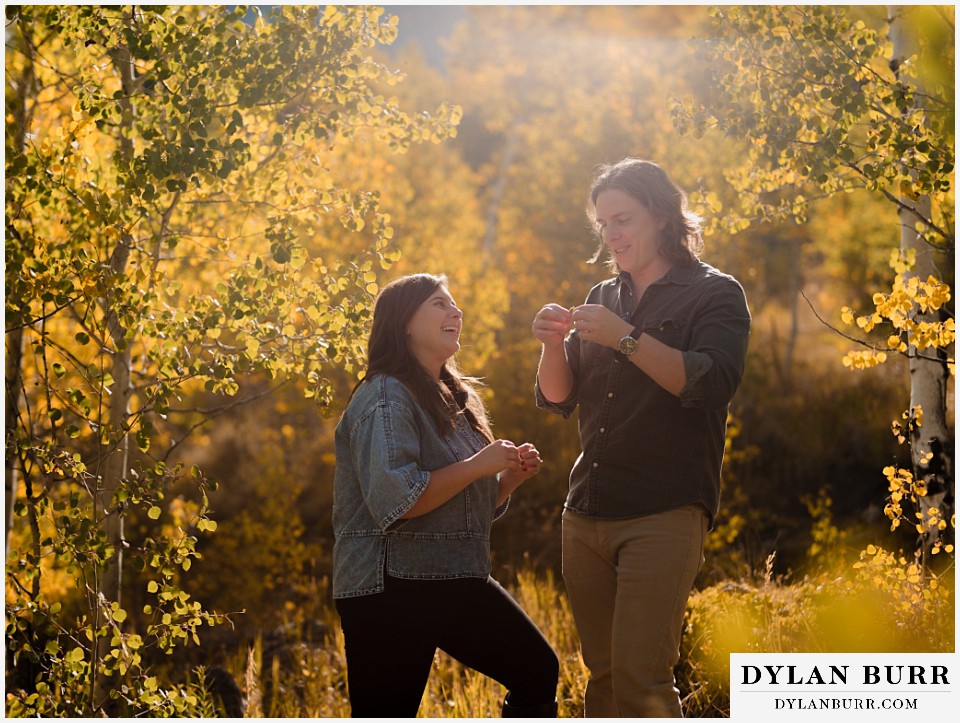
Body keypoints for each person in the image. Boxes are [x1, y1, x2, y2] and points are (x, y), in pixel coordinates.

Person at [532, 159, 751, 717]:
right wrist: (551, 344)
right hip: (585, 513)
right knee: (603, 679)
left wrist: (626, 338)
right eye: (603, 224)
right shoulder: (602, 294)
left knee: (642, 682)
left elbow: (710, 383)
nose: (612, 235)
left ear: (661, 215)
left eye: (623, 219)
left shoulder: (715, 293)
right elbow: (561, 398)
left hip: (664, 511)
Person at [333, 273, 559, 718]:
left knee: (536, 670)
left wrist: (506, 480)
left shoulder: (457, 397)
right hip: (390, 588)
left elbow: (457, 506)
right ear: (404, 324)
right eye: (439, 303)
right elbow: (400, 502)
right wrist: (480, 464)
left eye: (454, 305)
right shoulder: (384, 396)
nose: (455, 312)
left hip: (452, 575)